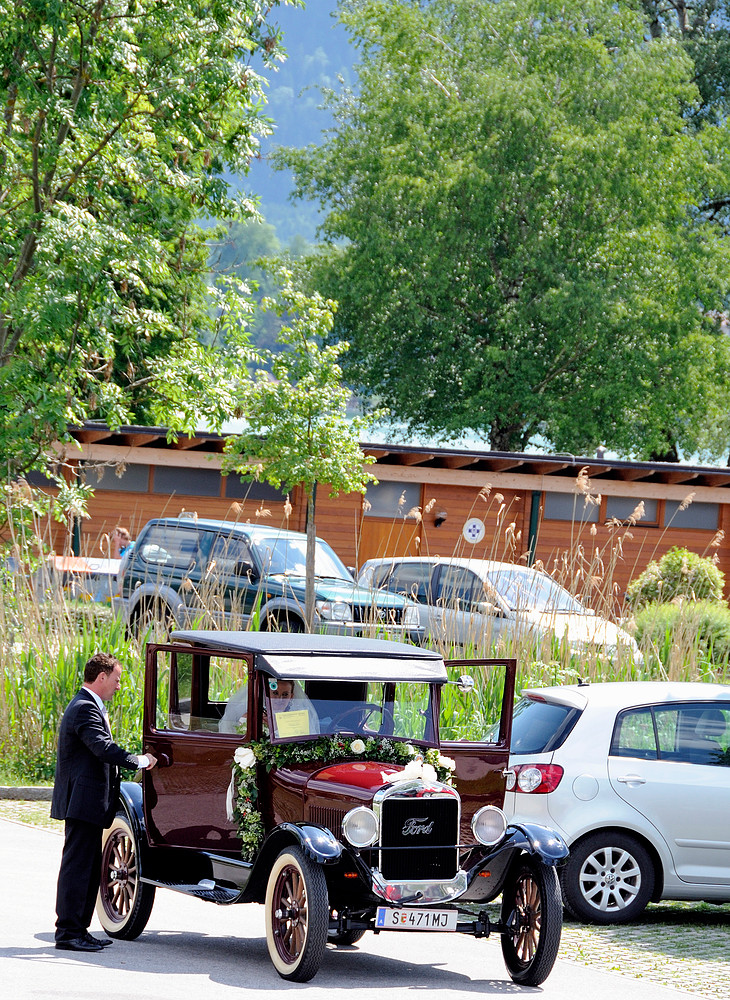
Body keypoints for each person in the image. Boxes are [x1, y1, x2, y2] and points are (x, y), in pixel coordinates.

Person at [51, 652, 157, 952]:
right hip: (81, 803)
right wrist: (137, 760)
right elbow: (102, 747)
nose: (119, 685)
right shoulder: (84, 708)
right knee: (77, 868)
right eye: (116, 679)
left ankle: (78, 930)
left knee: (87, 867)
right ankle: (68, 932)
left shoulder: (88, 706)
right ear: (101, 678)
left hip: (89, 805)